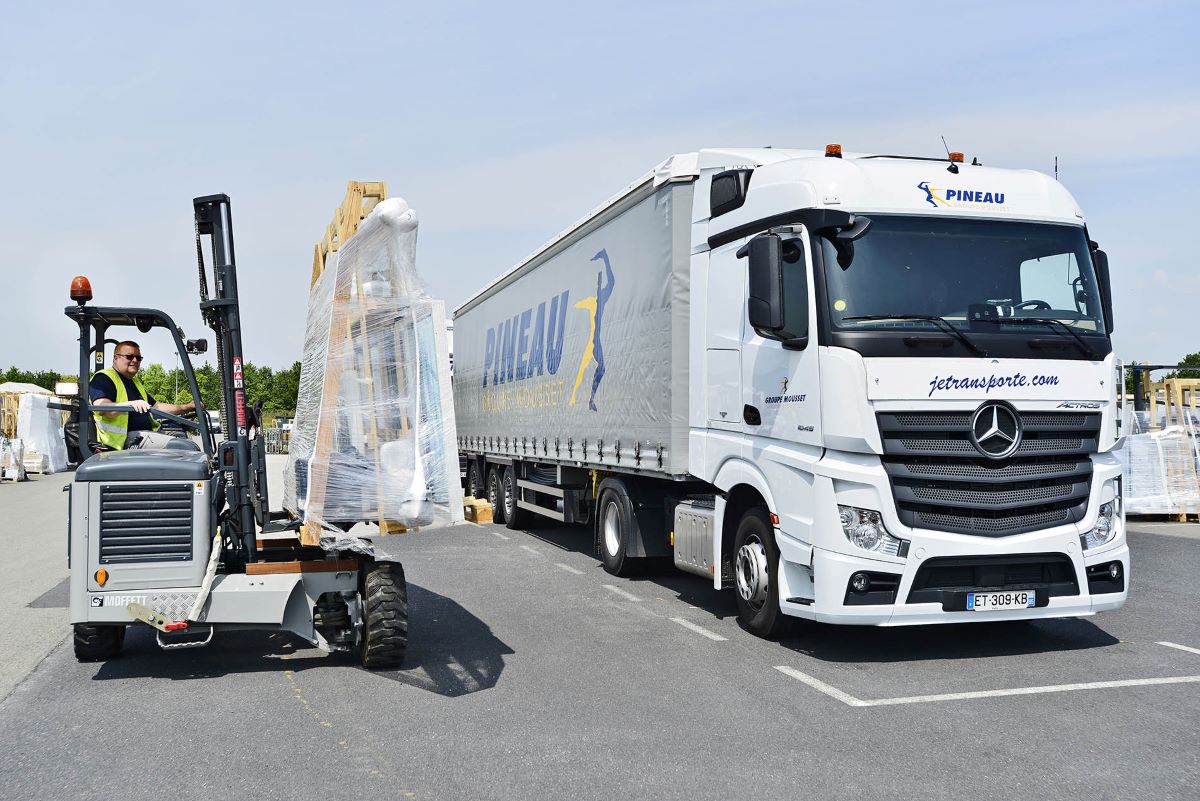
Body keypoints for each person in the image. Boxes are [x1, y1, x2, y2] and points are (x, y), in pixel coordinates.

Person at [89, 341, 197, 451]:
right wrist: (131, 404)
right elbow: (101, 408)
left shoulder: (134, 382)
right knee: (185, 448)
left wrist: (186, 407)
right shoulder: (104, 378)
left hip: (143, 434)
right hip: (122, 441)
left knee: (183, 436)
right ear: (116, 358)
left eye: (138, 358)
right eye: (129, 357)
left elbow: (156, 407)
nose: (135, 360)